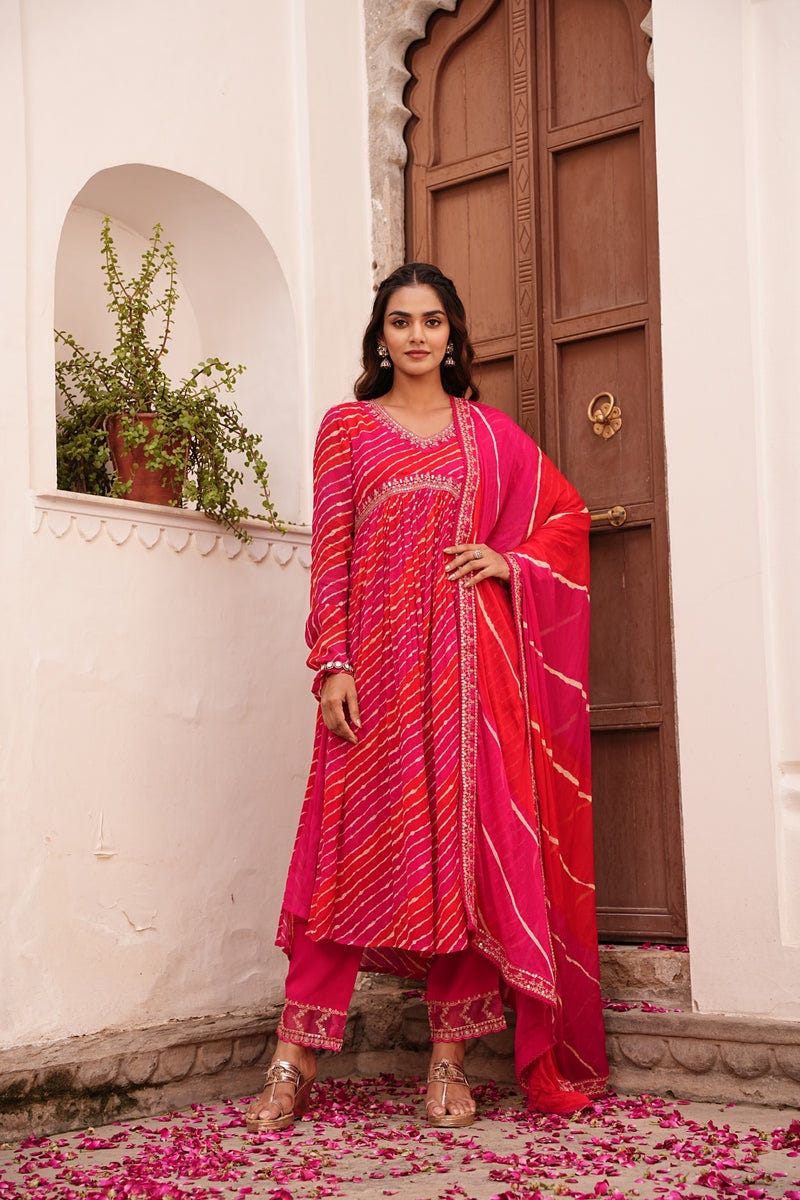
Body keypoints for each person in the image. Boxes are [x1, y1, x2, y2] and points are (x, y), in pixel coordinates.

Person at [245, 263, 608, 1133]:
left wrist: (508, 562)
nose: (416, 335)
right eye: (401, 321)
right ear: (380, 336)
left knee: (464, 858)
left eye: (432, 321)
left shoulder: (486, 434)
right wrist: (332, 663)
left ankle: (448, 1060)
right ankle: (294, 1057)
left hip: (468, 674)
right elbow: (332, 552)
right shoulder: (348, 428)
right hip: (372, 672)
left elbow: (567, 517)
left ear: (453, 335)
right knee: (343, 856)